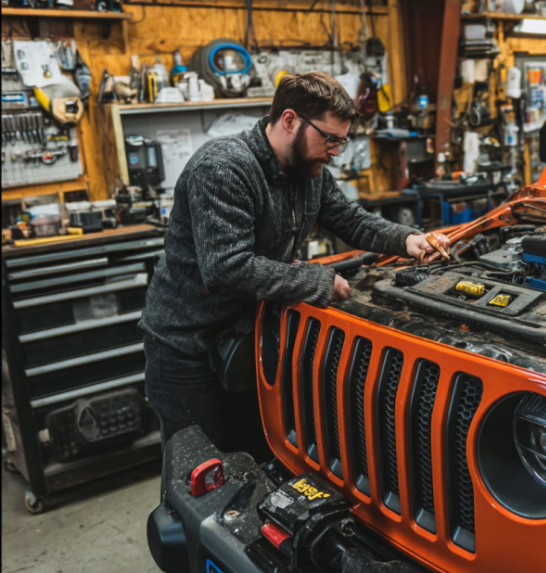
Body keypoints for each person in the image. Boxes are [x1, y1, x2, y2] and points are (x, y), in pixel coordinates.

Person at [139, 71, 450, 460]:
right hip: (187, 347)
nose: (336, 151)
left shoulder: (309, 171)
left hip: (245, 336)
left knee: (256, 456)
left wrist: (408, 241)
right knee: (202, 472)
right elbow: (225, 270)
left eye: (343, 139)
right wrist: (316, 280)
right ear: (289, 121)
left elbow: (350, 220)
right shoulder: (224, 167)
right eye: (330, 138)